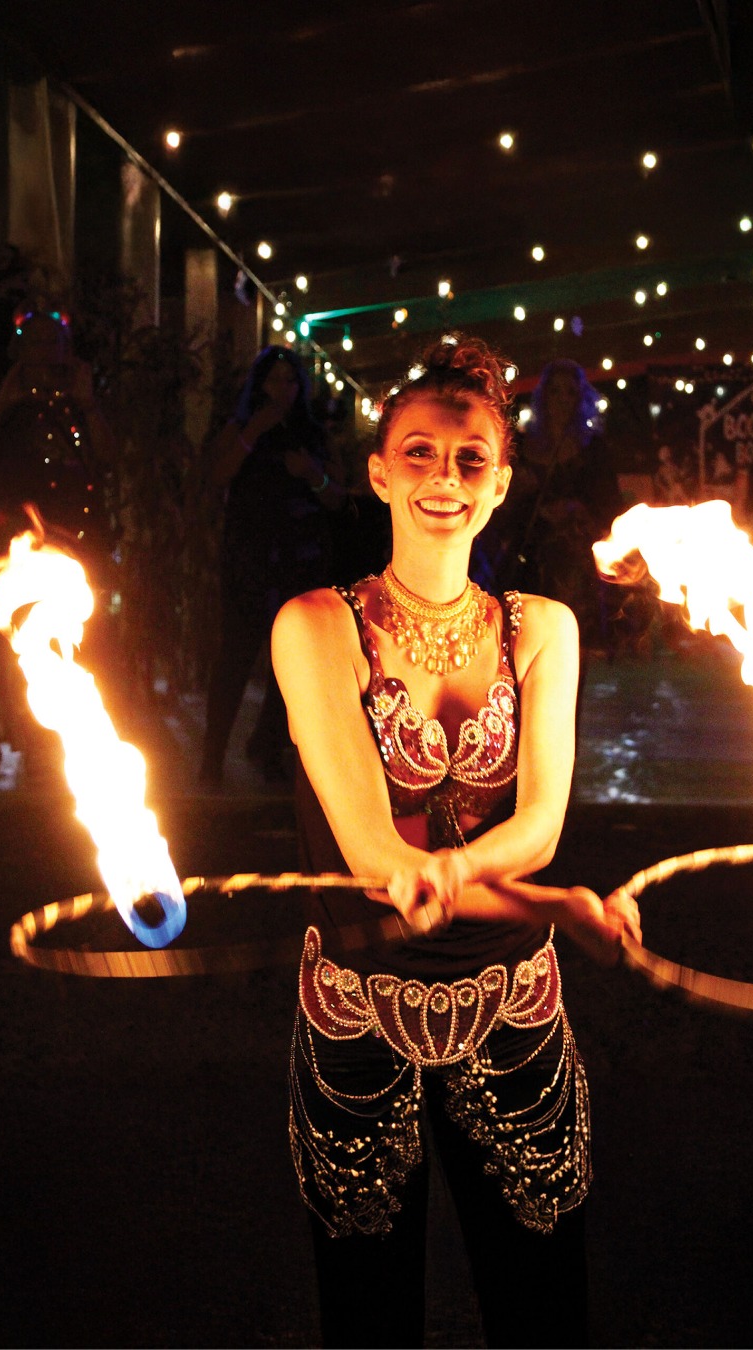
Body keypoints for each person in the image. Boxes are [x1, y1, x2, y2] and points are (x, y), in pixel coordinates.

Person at [271, 335, 640, 1348]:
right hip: (357, 1007)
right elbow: (368, 854)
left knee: (540, 1305)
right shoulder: (315, 625)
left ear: (502, 483)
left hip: (509, 1006)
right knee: (369, 1314)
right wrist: (552, 907)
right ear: (380, 472)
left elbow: (538, 825)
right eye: (422, 453)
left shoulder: (544, 628)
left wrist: (504, 885)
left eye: (471, 458)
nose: (447, 477)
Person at [0, 307, 119, 768]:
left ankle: (78, 749)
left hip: (79, 542)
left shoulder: (80, 402)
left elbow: (109, 458)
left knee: (81, 642)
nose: (45, 354)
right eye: (35, 343)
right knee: (26, 644)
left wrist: (88, 403)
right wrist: (3, 402)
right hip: (21, 549)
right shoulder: (6, 404)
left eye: (55, 344)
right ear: (19, 350)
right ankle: (33, 748)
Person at [198, 345, 344, 786]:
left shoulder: (313, 435)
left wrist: (310, 473)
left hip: (299, 558)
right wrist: (252, 433)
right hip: (248, 555)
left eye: (290, 380)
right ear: (259, 384)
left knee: (291, 660)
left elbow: (337, 496)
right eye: (274, 380)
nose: (282, 389)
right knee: (236, 655)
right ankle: (212, 757)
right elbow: (216, 476)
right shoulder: (242, 426)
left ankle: (267, 745)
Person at [474, 358, 623, 649]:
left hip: (574, 563)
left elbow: (610, 506)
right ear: (545, 395)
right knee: (522, 639)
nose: (562, 400)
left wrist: (575, 510)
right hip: (528, 560)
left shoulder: (593, 450)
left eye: (570, 392)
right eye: (556, 391)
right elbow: (500, 509)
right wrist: (522, 493)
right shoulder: (521, 447)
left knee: (569, 643)